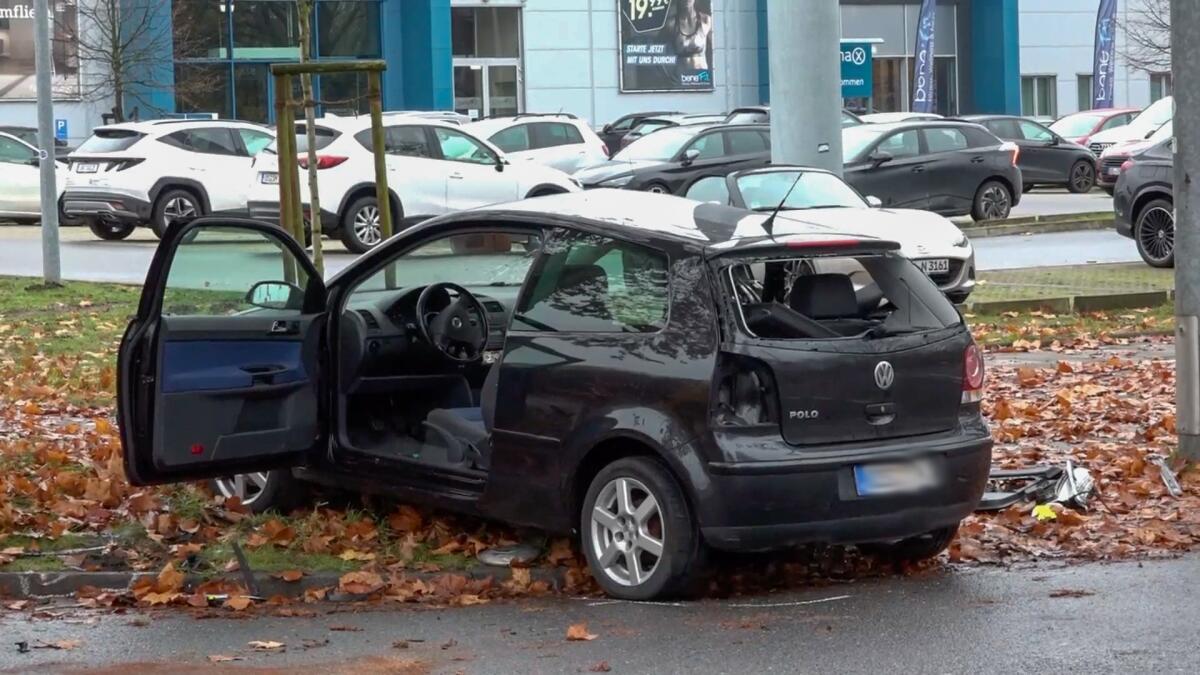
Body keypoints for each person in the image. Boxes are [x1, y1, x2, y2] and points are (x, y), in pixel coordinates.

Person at [665, 0, 712, 72]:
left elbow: (717, 47)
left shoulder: (705, 20)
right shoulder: (671, 24)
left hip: (702, 76)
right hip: (682, 77)